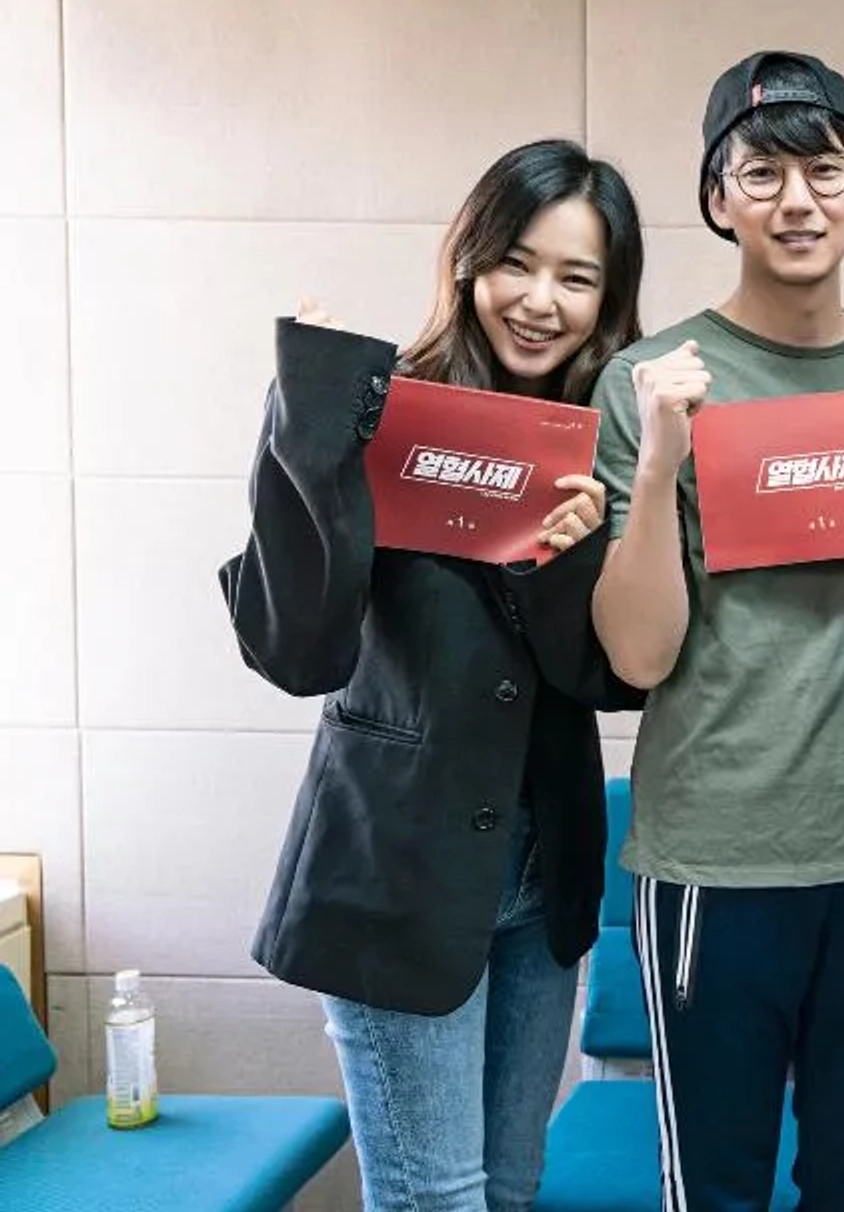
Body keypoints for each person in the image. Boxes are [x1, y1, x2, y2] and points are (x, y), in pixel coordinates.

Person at [219, 139, 648, 1212]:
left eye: (578, 276)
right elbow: (294, 650)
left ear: (609, 301)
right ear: (469, 260)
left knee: (508, 1190)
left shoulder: (604, 442)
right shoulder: (376, 414)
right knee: (434, 1200)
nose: (540, 299)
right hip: (396, 877)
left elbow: (615, 679)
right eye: (518, 260)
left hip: (543, 878)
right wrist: (304, 435)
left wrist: (573, 557)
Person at [588, 51, 844, 1212]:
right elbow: (637, 653)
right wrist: (662, 459)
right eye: (762, 172)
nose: (797, 199)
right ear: (717, 197)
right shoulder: (651, 379)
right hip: (715, 853)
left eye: (824, 168)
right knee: (717, 1189)